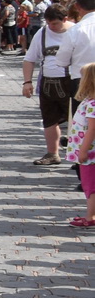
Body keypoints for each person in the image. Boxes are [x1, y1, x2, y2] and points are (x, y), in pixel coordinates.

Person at [22, 4, 92, 166]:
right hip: (49, 81)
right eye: (49, 23)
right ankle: (52, 153)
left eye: (55, 24)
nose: (51, 27)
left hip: (73, 81)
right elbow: (30, 58)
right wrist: (27, 82)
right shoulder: (43, 33)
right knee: (49, 118)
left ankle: (78, 155)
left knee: (78, 120)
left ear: (65, 19)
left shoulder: (76, 30)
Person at [69, 64, 95, 228]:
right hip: (88, 151)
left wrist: (83, 150)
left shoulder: (92, 104)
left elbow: (92, 128)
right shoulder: (89, 101)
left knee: (90, 185)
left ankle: (90, 216)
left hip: (90, 153)